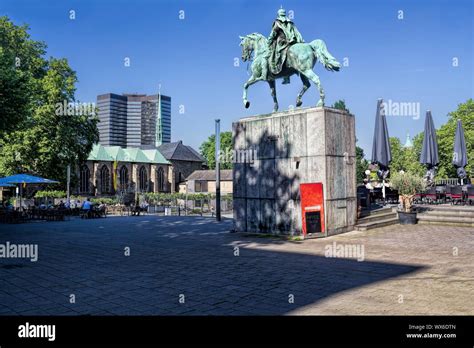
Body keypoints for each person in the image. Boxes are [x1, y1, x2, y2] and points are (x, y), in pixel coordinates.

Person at [266, 8, 304, 84]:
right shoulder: (290, 22)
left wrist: (269, 41)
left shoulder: (277, 22)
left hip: (281, 42)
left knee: (275, 55)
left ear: (278, 14)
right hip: (291, 41)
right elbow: (296, 32)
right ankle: (287, 76)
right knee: (287, 56)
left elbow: (273, 33)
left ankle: (279, 72)